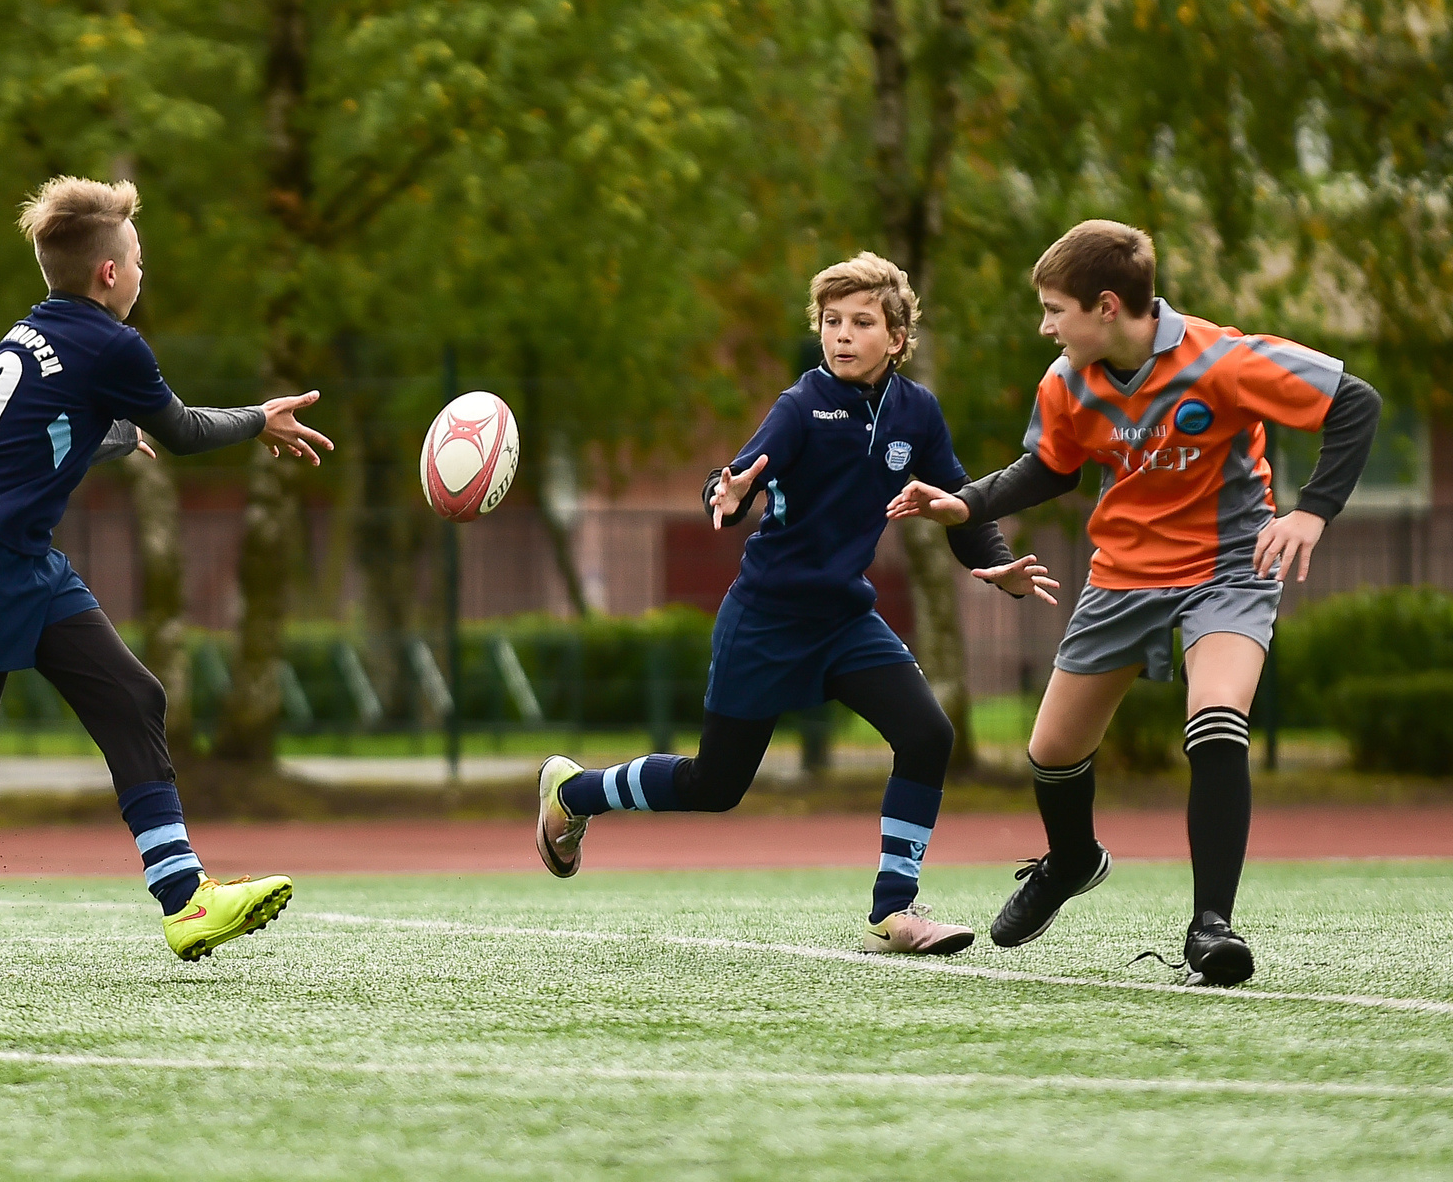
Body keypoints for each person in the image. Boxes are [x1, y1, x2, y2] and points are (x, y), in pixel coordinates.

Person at [0, 177, 331, 976]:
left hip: (8, 560)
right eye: (139, 260)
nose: (143, 273)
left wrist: (106, 438)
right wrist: (260, 417)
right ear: (109, 273)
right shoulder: (111, 343)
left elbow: (36, 424)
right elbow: (181, 431)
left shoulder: (38, 328)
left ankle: (185, 899)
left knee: (133, 694)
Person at [889, 220, 1378, 985]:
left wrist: (1311, 510)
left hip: (1229, 567)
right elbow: (1049, 468)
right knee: (1052, 752)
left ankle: (1212, 927)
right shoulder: (1066, 381)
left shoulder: (1221, 357)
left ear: (1107, 307)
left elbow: (1355, 401)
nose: (1046, 325)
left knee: (1217, 717)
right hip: (1123, 575)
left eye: (1055, 309)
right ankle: (1074, 859)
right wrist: (967, 504)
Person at [535, 253, 1058, 954]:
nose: (841, 334)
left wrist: (998, 564)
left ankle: (893, 911)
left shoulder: (917, 412)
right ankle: (575, 794)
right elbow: (742, 472)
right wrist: (726, 492)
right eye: (831, 321)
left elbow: (959, 503)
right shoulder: (801, 405)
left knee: (929, 734)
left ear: (897, 338)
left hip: (845, 620)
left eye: (861, 322)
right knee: (715, 784)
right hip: (766, 619)